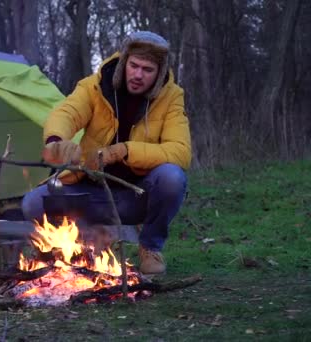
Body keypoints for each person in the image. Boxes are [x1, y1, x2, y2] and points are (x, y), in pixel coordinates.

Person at [21, 31, 191, 275]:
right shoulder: (95, 86)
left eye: (147, 69)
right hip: (89, 193)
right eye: (134, 66)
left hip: (136, 197)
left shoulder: (172, 97)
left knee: (172, 178)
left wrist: (124, 150)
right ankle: (73, 249)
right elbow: (67, 113)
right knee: (34, 203)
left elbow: (181, 152)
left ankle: (150, 248)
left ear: (159, 73)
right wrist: (56, 140)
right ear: (124, 62)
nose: (138, 75)